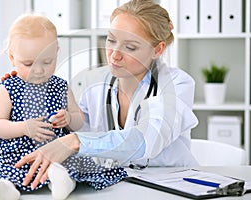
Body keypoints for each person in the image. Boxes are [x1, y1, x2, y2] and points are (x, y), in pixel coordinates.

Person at [15, 0, 200, 193]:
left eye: (130, 47)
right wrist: (23, 83)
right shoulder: (95, 82)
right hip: (116, 187)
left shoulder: (176, 84)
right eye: (111, 40)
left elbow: (147, 139)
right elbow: (77, 128)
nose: (114, 55)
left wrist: (76, 142)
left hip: (171, 188)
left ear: (157, 49)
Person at [0, 14, 127, 200]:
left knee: (71, 163)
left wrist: (68, 117)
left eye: (47, 61)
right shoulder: (8, 88)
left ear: (56, 53)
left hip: (56, 149)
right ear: (12, 58)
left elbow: (78, 121)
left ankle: (62, 181)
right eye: (28, 64)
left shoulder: (61, 86)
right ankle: (5, 187)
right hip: (14, 151)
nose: (39, 69)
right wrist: (23, 127)